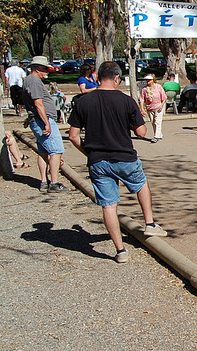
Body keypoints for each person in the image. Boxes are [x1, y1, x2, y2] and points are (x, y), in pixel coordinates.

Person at [68, 61, 168, 264]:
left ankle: (120, 250)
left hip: (97, 160)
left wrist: (88, 152)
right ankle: (149, 223)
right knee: (141, 185)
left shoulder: (82, 102)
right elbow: (141, 132)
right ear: (116, 78)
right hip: (124, 156)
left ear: (98, 78)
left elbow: (73, 136)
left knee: (109, 205)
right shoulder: (126, 101)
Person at [23, 56, 70, 193]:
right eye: (45, 69)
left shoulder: (31, 80)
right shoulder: (34, 81)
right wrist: (46, 123)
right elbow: (38, 103)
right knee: (56, 151)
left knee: (43, 151)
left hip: (38, 120)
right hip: (42, 121)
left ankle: (44, 181)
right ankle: (54, 183)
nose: (47, 71)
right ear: (37, 69)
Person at [139, 74, 166, 143]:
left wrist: (161, 105)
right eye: (147, 80)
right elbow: (142, 99)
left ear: (153, 80)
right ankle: (159, 134)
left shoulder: (158, 87)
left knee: (157, 121)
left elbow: (164, 97)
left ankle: (156, 136)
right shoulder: (144, 89)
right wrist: (142, 109)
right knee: (153, 122)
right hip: (149, 108)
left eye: (149, 80)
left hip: (158, 107)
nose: (148, 81)